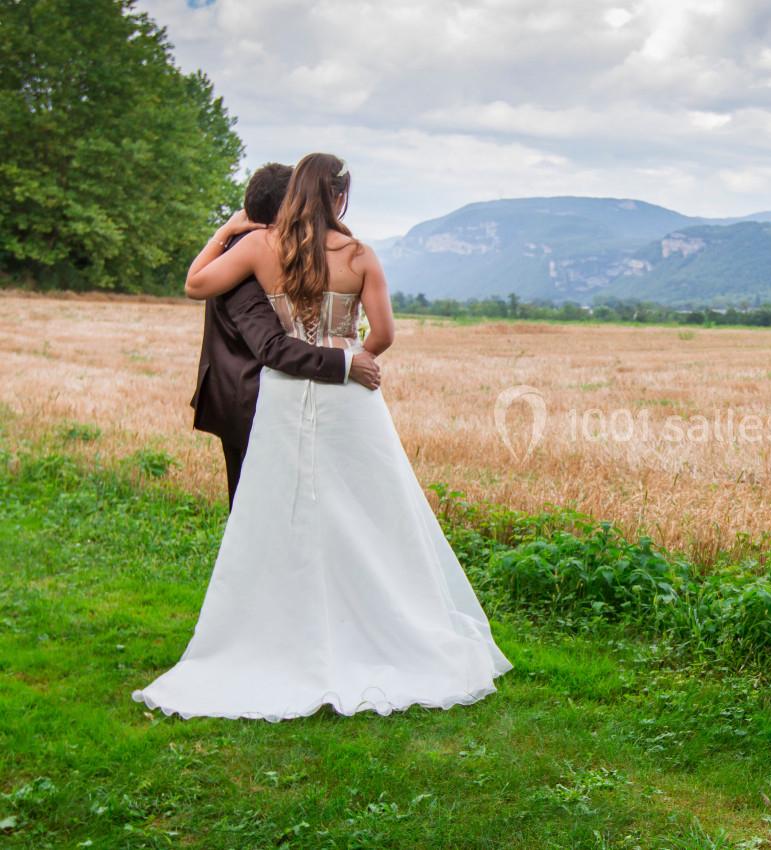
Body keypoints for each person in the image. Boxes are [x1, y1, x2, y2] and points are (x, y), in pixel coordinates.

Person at [132, 153, 513, 720]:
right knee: (369, 514)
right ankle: (375, 625)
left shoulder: (263, 249)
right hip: (349, 397)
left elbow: (196, 285)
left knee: (281, 513)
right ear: (338, 198)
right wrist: (354, 356)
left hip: (284, 395)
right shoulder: (360, 256)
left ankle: (278, 631)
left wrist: (230, 228)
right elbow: (385, 333)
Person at [189, 162, 382, 507]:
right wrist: (346, 363)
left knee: (264, 508)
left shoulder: (248, 251)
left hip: (251, 395)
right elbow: (272, 347)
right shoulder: (251, 257)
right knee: (262, 508)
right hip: (250, 398)